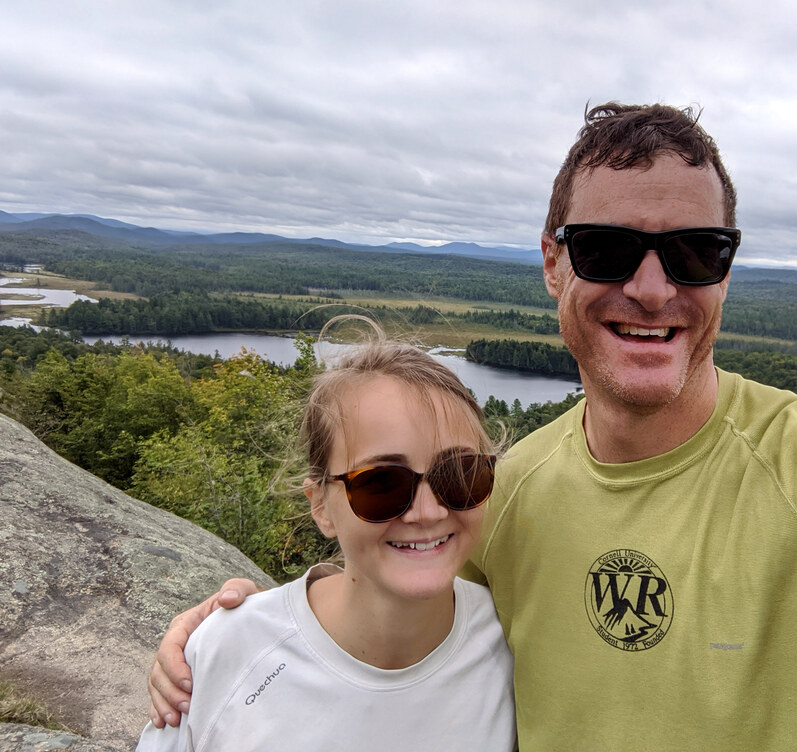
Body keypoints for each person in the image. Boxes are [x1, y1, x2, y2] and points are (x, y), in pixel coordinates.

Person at [148, 103, 797, 751]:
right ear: (552, 262)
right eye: (608, 248)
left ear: (727, 268)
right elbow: (393, 590)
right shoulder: (501, 492)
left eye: (695, 252)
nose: (653, 287)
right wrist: (238, 631)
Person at [137, 321, 516, 751]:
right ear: (321, 505)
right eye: (381, 483)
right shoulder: (229, 652)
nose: (428, 512)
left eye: (461, 474)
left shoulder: (514, 641)